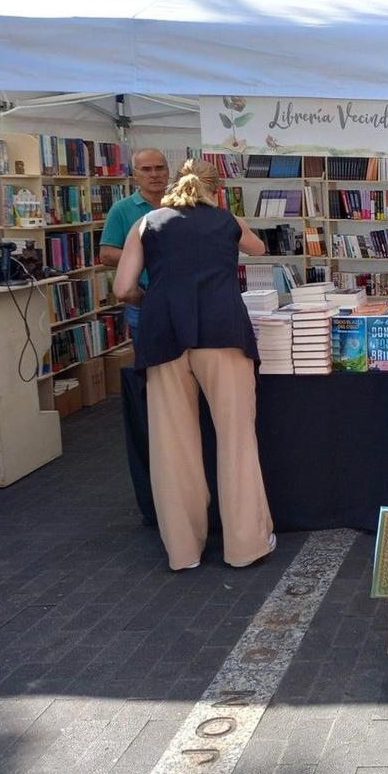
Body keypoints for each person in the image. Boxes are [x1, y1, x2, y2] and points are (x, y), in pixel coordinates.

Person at [113, 159, 274, 572]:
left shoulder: (147, 224)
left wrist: (149, 301)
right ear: (215, 187)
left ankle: (183, 551)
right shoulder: (226, 221)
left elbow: (121, 287)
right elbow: (259, 249)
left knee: (172, 446)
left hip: (164, 334)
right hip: (223, 332)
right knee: (236, 439)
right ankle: (245, 546)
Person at [100, 148, 170, 340]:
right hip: (143, 295)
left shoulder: (182, 205)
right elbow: (106, 254)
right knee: (149, 362)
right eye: (146, 169)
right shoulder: (121, 209)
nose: (154, 174)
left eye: (159, 168)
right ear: (135, 175)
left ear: (168, 171)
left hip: (184, 295)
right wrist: (145, 257)